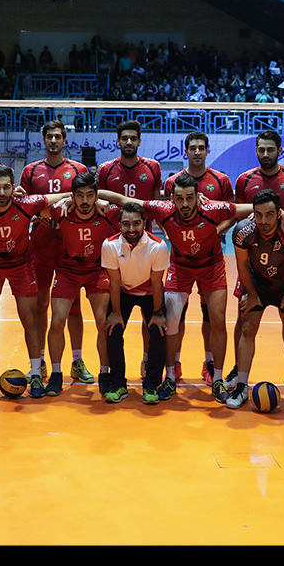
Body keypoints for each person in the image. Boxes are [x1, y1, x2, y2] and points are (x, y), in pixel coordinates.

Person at [99, 173, 252, 403]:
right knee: (170, 321)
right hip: (180, 267)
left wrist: (281, 213)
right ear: (172, 199)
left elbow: (249, 208)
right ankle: (170, 376)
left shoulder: (212, 208)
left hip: (211, 266)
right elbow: (124, 200)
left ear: (198, 197)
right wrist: (93, 197)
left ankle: (218, 379)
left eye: (189, 198)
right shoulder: (164, 209)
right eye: (179, 198)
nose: (185, 203)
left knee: (218, 319)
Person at [0, 165, 72, 398]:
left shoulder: (27, 204)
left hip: (22, 265)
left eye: (6, 187)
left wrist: (76, 197)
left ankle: (36, 374)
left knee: (30, 318)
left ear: (13, 188)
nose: (1, 192)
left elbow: (58, 196)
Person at [234, 130, 284, 389]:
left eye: (270, 149)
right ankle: (238, 372)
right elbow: (241, 217)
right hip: (254, 261)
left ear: (279, 150)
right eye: (261, 149)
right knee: (244, 319)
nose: (265, 154)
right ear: (256, 151)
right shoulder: (244, 180)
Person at [19, 121, 90, 383]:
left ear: (64, 140)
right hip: (40, 246)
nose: (53, 140)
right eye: (49, 136)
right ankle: (38, 363)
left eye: (58, 136)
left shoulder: (79, 170)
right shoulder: (31, 171)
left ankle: (77, 361)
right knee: (40, 304)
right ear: (43, 140)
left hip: (70, 246)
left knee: (74, 306)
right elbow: (23, 207)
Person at [229, 189, 284, 414]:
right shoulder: (243, 231)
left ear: (279, 213)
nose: (263, 220)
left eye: (269, 214)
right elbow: (242, 264)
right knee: (247, 327)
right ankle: (242, 386)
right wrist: (252, 294)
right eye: (259, 214)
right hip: (257, 283)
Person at [162, 131, 234, 383]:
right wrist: (170, 233)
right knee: (176, 316)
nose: (197, 152)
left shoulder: (221, 180)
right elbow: (162, 213)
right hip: (180, 261)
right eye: (192, 148)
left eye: (201, 148)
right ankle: (174, 365)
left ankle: (210, 364)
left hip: (211, 260)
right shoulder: (172, 182)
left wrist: (214, 232)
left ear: (207, 150)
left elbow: (231, 213)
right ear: (186, 151)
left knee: (211, 316)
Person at [94, 120, 162, 378]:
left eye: (133, 138)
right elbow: (98, 199)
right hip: (114, 246)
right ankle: (111, 372)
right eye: (125, 138)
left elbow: (156, 205)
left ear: (139, 141)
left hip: (144, 244)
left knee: (149, 314)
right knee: (112, 311)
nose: (129, 142)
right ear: (118, 141)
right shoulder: (106, 169)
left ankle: (146, 360)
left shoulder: (152, 167)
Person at [44, 173, 120, 396]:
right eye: (79, 196)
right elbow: (36, 208)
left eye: (89, 196)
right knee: (57, 321)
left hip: (97, 270)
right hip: (67, 271)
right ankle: (56, 374)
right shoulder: (61, 211)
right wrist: (63, 199)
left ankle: (104, 374)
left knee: (103, 323)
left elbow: (133, 206)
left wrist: (104, 199)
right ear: (73, 197)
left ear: (96, 196)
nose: (85, 201)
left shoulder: (108, 213)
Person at [100, 202, 169, 404]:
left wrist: (157, 313)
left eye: (136, 223)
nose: (131, 229)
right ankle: (118, 383)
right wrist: (115, 313)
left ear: (144, 223)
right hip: (123, 291)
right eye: (126, 224)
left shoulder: (158, 246)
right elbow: (114, 282)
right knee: (113, 329)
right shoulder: (110, 245)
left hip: (150, 292)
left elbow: (157, 283)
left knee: (158, 331)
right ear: (119, 225)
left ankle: (151, 384)